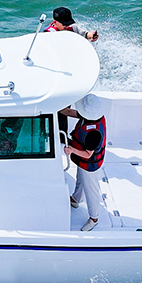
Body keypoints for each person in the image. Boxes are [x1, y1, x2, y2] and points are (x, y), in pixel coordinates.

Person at [61, 94, 106, 231]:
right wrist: (56, 107)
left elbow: (88, 154)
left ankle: (94, 218)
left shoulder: (93, 134)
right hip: (84, 162)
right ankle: (75, 199)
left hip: (90, 164)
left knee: (91, 190)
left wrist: (71, 150)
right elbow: (69, 112)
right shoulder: (94, 117)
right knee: (80, 179)